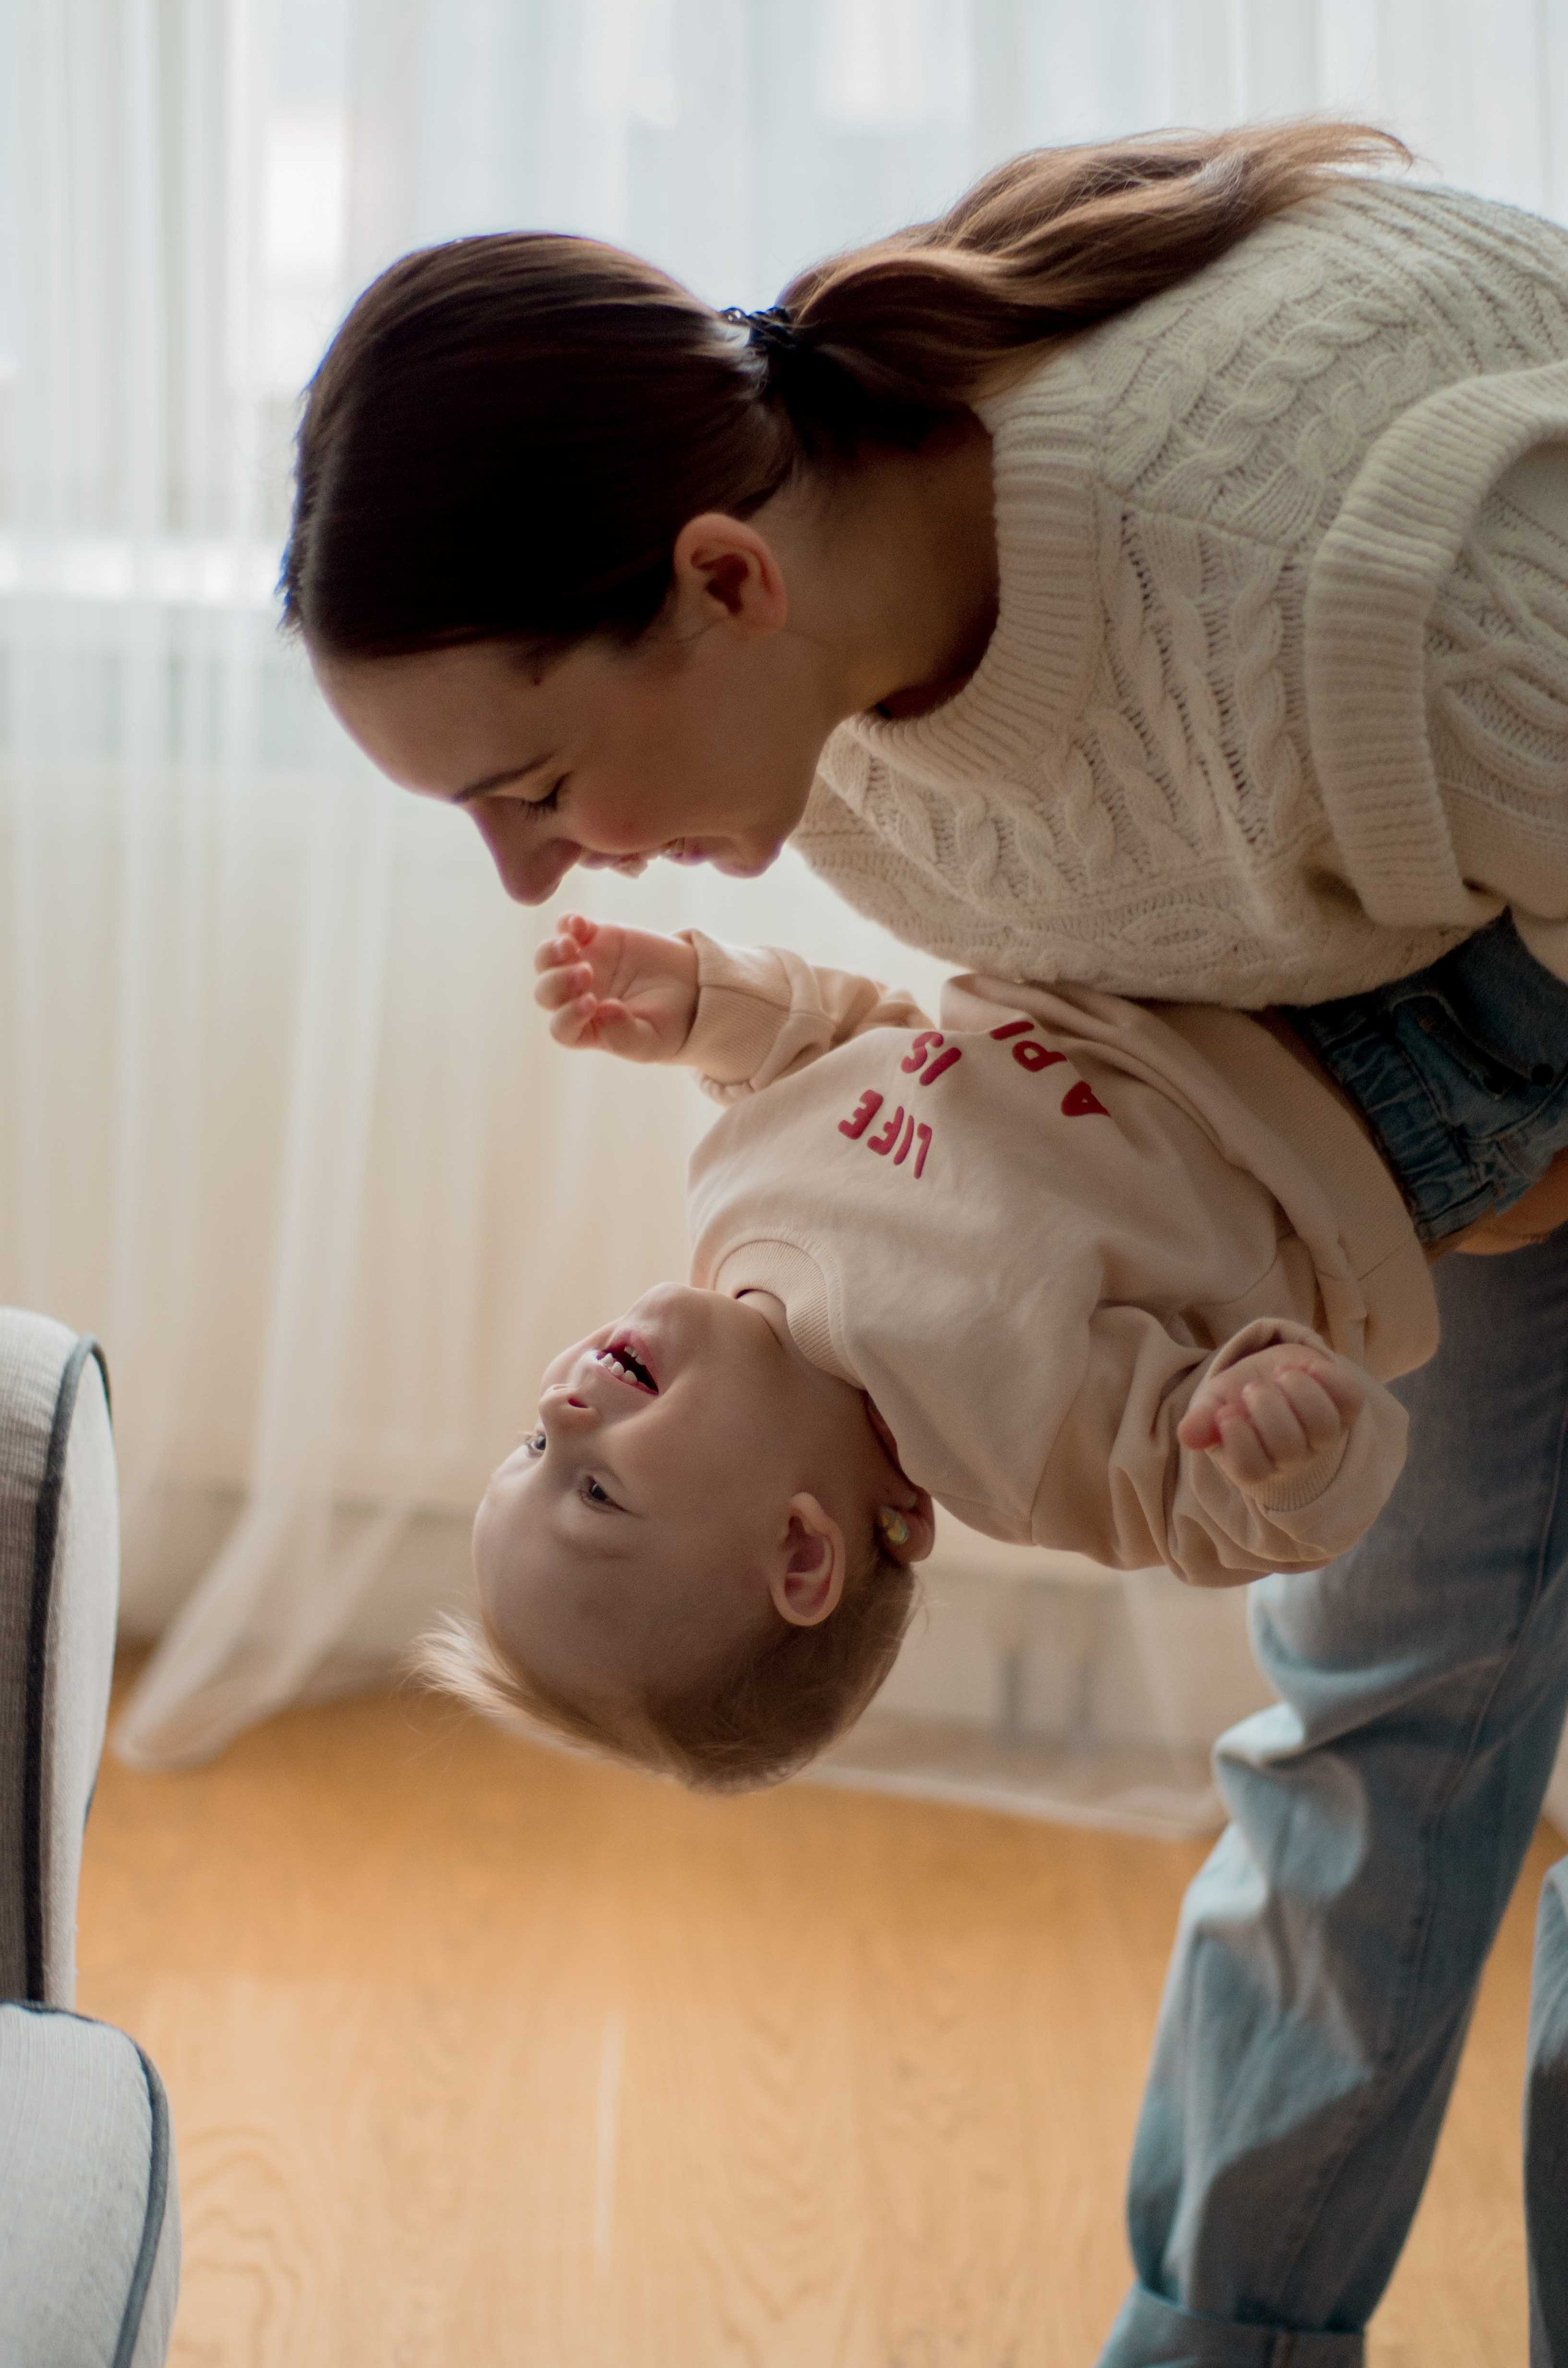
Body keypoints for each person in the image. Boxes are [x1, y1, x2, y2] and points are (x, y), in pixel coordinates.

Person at [281, 120, 1568, 2363]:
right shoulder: (831, 736)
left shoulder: (1370, 600)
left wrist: (707, 1004)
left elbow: (855, 1048)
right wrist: (1294, 1397)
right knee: (1378, 1734)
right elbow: (1198, 1431)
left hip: (1492, 936)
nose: (537, 880)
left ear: (723, 581)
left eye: (532, 789)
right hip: (1406, 1118)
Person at [431, 904, 1568, 1800]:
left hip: (1166, 950)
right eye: (595, 1490)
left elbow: (851, 1035)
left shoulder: (732, 1198)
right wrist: (1289, 1445)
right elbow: (1225, 1510)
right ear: (801, 1550)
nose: (564, 1411)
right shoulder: (1011, 1439)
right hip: (1391, 1090)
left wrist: (701, 1005)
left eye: (531, 1444)